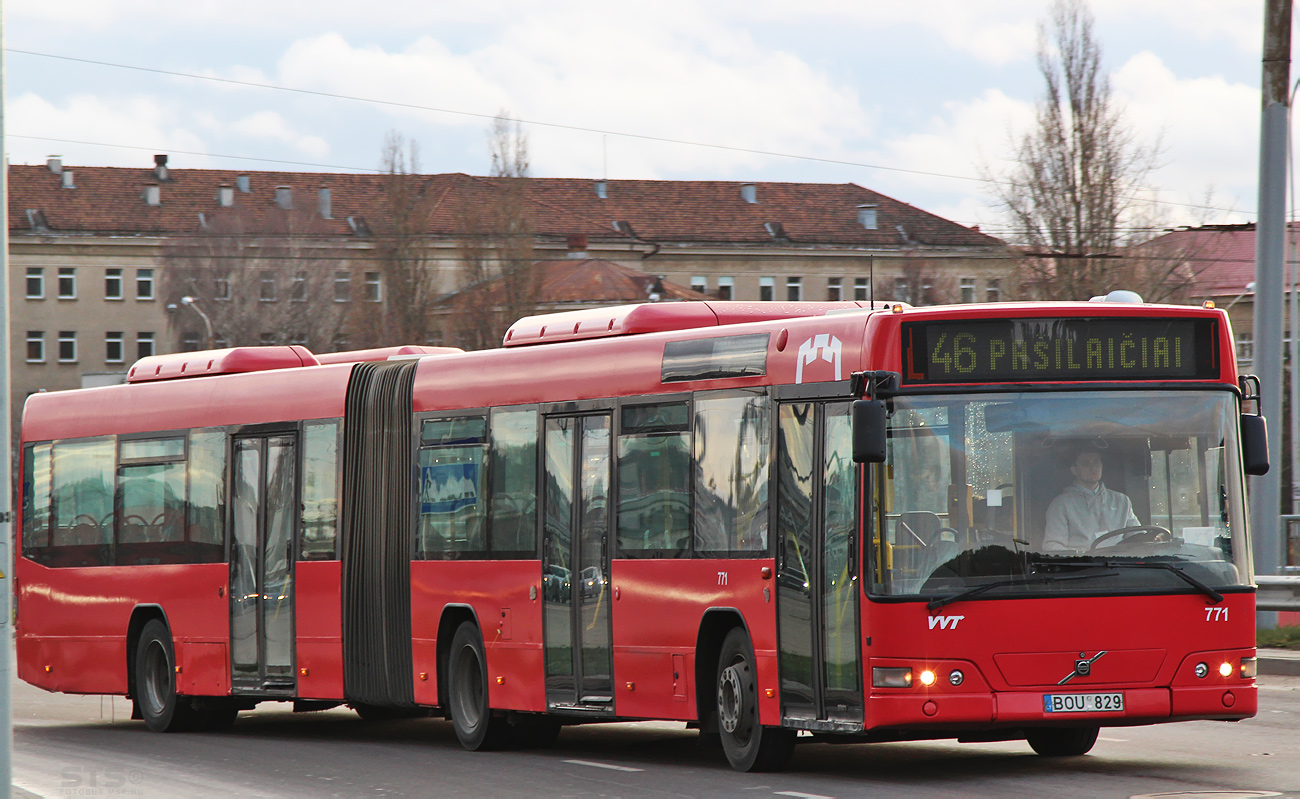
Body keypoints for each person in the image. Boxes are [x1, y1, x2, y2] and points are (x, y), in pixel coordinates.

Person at [1043, 447, 1139, 551]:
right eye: (1086, 464)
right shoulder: (1061, 504)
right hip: (1082, 565)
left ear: (1102, 466)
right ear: (1074, 470)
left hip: (1119, 564)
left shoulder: (1122, 501)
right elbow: (1052, 546)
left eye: (1096, 463)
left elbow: (1138, 538)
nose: (1093, 468)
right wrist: (1080, 558)